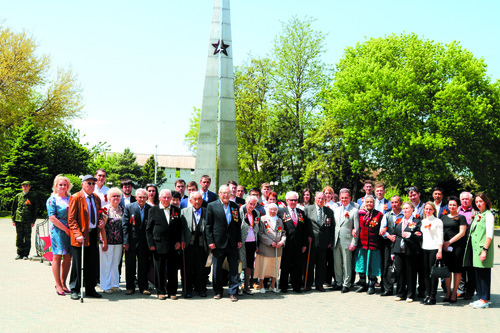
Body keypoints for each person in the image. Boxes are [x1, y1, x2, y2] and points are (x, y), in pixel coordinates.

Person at [68, 175, 106, 300]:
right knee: (78, 264)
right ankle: (75, 289)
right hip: (80, 235)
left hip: (93, 234)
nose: (91, 185)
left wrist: (101, 221)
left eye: (93, 184)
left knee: (91, 263)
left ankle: (90, 289)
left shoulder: (96, 198)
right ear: (82, 184)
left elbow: (99, 213)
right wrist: (77, 234)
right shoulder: (76, 197)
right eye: (88, 183)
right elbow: (72, 219)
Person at [205, 185, 242, 302]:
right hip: (218, 243)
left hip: (232, 243)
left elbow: (237, 225)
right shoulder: (212, 206)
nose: (226, 195)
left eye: (228, 193)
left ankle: (233, 292)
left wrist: (239, 239)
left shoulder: (234, 206)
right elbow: (208, 225)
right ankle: (218, 291)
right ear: (219, 193)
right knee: (217, 269)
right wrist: (210, 241)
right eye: (223, 193)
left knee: (234, 269)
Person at [146, 189, 182, 300]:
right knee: (159, 269)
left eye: (168, 197)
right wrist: (151, 244)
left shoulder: (176, 210)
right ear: (160, 198)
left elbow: (179, 228)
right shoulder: (153, 210)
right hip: (158, 244)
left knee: (173, 269)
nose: (166, 200)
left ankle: (172, 291)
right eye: (164, 197)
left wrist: (179, 242)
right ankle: (160, 291)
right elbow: (148, 229)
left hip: (173, 245)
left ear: (171, 198)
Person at [463, 193, 495, 309]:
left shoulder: (489, 215)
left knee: (484, 275)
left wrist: (485, 250)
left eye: (480, 201)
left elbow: (490, 234)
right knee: (478, 275)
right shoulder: (478, 215)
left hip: (482, 249)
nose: (478, 204)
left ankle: (485, 299)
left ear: (485, 202)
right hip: (475, 250)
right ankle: (480, 298)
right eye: (476, 202)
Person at [122, 188, 152, 295]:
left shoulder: (150, 208)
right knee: (130, 265)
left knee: (143, 265)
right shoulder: (129, 208)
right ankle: (130, 287)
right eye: (140, 197)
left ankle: (143, 287)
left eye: (144, 197)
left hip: (144, 242)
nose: (142, 199)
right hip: (131, 241)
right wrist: (126, 241)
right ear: (136, 197)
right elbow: (125, 225)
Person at [46, 176, 73, 295]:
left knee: (68, 256)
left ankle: (63, 282)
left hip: (71, 229)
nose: (62, 187)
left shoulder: (71, 198)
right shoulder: (52, 199)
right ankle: (57, 284)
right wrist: (66, 229)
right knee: (57, 256)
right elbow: (52, 217)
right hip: (58, 230)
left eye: (64, 185)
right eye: (60, 185)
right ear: (56, 186)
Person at [278, 191, 308, 293]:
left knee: (298, 266)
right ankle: (283, 286)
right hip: (286, 244)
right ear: (287, 200)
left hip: (299, 244)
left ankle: (297, 286)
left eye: (295, 200)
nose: (293, 202)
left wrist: (304, 244)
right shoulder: (281, 212)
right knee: (285, 266)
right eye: (291, 200)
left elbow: (305, 230)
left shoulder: (301, 212)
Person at [392, 201, 422, 303]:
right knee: (400, 273)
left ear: (412, 210)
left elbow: (419, 237)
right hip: (399, 250)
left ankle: (410, 294)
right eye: (404, 208)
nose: (405, 210)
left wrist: (410, 235)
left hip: (411, 251)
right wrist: (393, 252)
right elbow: (395, 237)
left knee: (411, 273)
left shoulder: (417, 222)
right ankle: (400, 293)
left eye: (407, 208)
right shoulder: (399, 221)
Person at [303, 192, 334, 292]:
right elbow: (304, 226)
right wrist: (307, 236)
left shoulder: (329, 211)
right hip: (311, 241)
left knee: (322, 264)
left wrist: (330, 240)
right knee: (310, 263)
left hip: (323, 241)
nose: (320, 200)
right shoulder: (308, 209)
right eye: (319, 198)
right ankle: (308, 284)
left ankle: (319, 284)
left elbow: (332, 227)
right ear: (315, 198)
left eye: (322, 199)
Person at [180, 192, 208, 298]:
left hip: (201, 244)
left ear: (202, 200)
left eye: (199, 199)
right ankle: (187, 290)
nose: (197, 201)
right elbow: (181, 228)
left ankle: (201, 289)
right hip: (188, 244)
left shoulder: (206, 211)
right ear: (190, 200)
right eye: (195, 199)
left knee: (201, 268)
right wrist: (182, 239)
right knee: (187, 268)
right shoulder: (184, 211)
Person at [354, 195, 384, 294]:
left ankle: (371, 285)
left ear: (374, 203)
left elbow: (382, 227)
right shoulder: (360, 214)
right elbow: (355, 225)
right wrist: (354, 229)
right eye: (367, 202)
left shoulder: (379, 214)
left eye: (371, 202)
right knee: (361, 266)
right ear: (364, 203)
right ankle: (363, 284)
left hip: (374, 245)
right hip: (362, 244)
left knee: (372, 266)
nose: (369, 204)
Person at [333, 188, 359, 293]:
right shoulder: (336, 210)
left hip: (348, 240)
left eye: (346, 198)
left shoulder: (354, 211)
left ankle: (346, 284)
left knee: (347, 263)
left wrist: (354, 242)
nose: (344, 200)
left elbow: (356, 229)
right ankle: (338, 282)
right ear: (339, 198)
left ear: (350, 198)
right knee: (337, 263)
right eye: (342, 198)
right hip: (336, 240)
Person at [441, 196, 467, 303]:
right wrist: (443, 243)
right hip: (445, 248)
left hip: (457, 247)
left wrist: (449, 242)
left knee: (457, 270)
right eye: (450, 205)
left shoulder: (461, 218)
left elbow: (462, 233)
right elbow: (440, 231)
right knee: (447, 271)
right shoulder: (443, 217)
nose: (452, 207)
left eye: (454, 205)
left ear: (458, 206)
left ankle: (454, 293)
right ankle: (448, 292)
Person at [255, 203, 286, 293]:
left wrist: (281, 242)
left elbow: (283, 232)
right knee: (263, 267)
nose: (273, 211)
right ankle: (261, 285)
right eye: (271, 209)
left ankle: (273, 285)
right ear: (267, 209)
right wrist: (270, 242)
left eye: (275, 210)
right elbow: (260, 233)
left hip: (277, 248)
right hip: (266, 248)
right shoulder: (262, 219)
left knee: (275, 268)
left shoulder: (279, 220)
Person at [100, 187, 123, 294]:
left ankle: (115, 284)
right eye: (114, 196)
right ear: (109, 197)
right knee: (106, 264)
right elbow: (101, 226)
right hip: (107, 241)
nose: (116, 198)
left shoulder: (122, 209)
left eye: (118, 196)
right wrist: (104, 242)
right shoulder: (105, 209)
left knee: (115, 263)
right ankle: (105, 286)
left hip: (118, 241)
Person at [379, 195, 404, 296]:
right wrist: (389, 236)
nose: (394, 204)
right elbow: (382, 230)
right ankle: (387, 289)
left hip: (401, 244)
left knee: (400, 267)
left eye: (396, 202)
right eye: (392, 202)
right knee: (386, 266)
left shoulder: (404, 214)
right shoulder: (387, 215)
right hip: (388, 243)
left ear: (400, 203)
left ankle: (400, 289)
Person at [420, 202, 443, 305]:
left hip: (434, 248)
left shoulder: (438, 221)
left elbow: (440, 236)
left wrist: (440, 250)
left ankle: (433, 296)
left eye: (430, 209)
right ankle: (427, 294)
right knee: (425, 273)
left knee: (433, 273)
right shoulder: (423, 221)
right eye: (426, 209)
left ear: (434, 210)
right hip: (425, 248)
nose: (428, 211)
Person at [238, 195, 260, 295]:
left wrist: (257, 244)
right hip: (241, 242)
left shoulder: (257, 213)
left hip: (252, 242)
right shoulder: (240, 211)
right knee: (239, 264)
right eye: (250, 203)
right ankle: (237, 286)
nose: (252, 206)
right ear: (246, 202)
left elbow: (257, 229)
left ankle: (246, 286)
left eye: (254, 204)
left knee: (249, 265)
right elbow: (238, 227)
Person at [11, 181, 37, 260]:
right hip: (18, 220)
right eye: (23, 186)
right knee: (19, 237)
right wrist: (13, 220)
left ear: (29, 187)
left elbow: (34, 210)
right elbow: (13, 208)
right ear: (22, 187)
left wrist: (33, 221)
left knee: (27, 237)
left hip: (28, 221)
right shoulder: (18, 196)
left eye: (26, 186)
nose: (25, 187)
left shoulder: (32, 196)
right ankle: (19, 253)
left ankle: (26, 254)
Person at [457, 191, 476, 299]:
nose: (465, 200)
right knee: (461, 267)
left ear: (470, 200)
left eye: (467, 199)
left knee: (470, 268)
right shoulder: (458, 210)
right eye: (463, 199)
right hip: (460, 243)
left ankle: (470, 290)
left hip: (471, 242)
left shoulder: (475, 211)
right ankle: (461, 289)